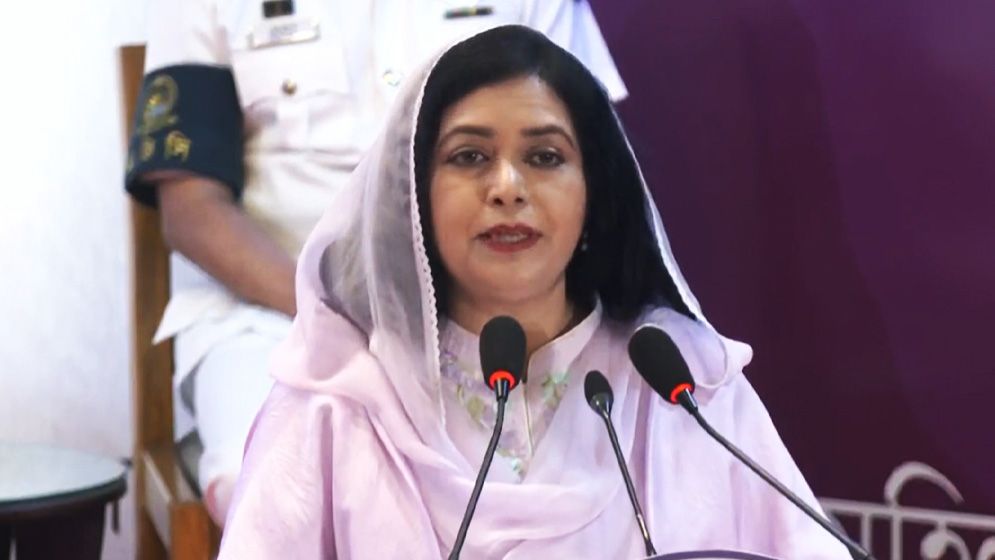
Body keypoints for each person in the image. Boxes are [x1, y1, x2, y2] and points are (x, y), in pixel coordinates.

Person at [217, 25, 852, 558]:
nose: (507, 188)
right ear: (416, 199)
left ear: (593, 191)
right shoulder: (338, 400)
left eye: (545, 157)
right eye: (469, 157)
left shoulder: (682, 385)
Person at [123, 1, 626, 525]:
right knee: (283, 496)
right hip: (274, 318)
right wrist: (341, 312)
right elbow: (192, 210)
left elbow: (588, 157)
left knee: (561, 487)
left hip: (485, 317)